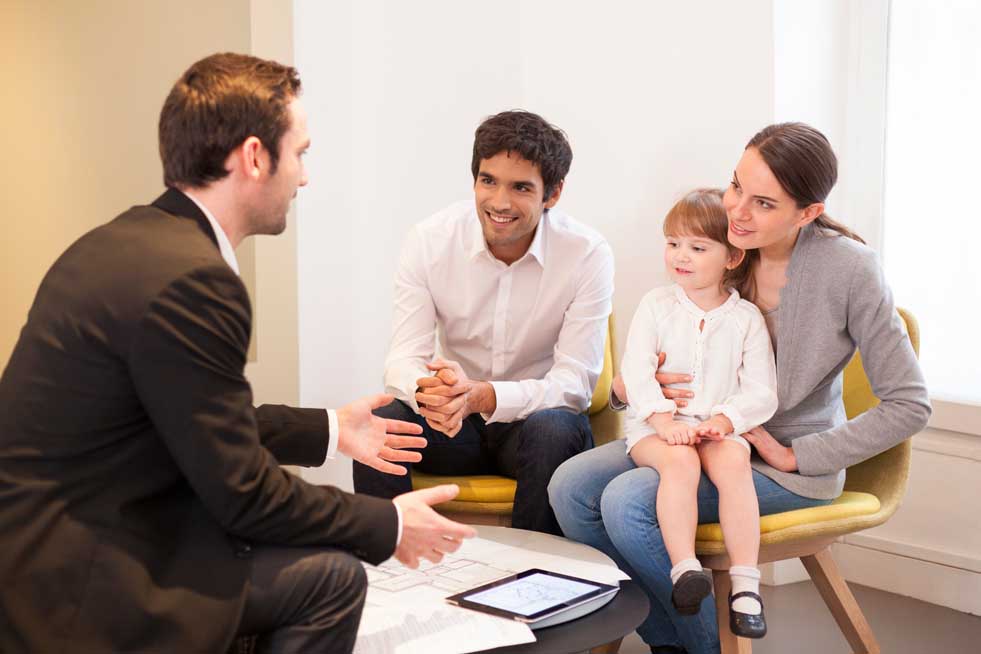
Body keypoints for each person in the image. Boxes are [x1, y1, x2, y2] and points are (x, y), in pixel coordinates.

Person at [0, 52, 475, 654]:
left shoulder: (122, 242)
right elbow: (243, 493)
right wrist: (388, 523)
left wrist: (332, 429)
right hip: (85, 581)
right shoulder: (194, 280)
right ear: (255, 157)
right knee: (331, 577)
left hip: (42, 547)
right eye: (300, 153)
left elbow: (190, 419)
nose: (304, 177)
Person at [548, 122, 930, 654]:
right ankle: (670, 638)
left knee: (628, 502)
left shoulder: (848, 270)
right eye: (736, 186)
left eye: (764, 203)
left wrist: (802, 454)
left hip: (775, 461)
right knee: (569, 486)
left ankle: (702, 647)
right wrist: (629, 388)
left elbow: (910, 403)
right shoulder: (727, 241)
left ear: (809, 212)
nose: (738, 211)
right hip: (685, 431)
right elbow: (655, 353)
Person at [353, 110, 614, 535]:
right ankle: (390, 573)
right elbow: (403, 357)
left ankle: (533, 581)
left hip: (532, 426)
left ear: (554, 193)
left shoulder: (586, 254)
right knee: (382, 425)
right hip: (453, 425)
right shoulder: (430, 240)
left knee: (556, 429)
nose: (500, 202)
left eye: (521, 187)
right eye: (488, 180)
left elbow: (574, 386)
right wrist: (431, 392)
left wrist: (486, 397)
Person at [622, 189, 777, 639]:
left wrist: (726, 421)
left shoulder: (746, 318)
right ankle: (684, 567)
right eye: (673, 244)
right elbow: (637, 369)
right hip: (657, 427)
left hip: (718, 425)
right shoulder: (656, 305)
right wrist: (662, 419)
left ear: (731, 257)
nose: (680, 256)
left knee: (733, 463)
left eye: (696, 247)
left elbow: (761, 389)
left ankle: (746, 583)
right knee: (680, 462)